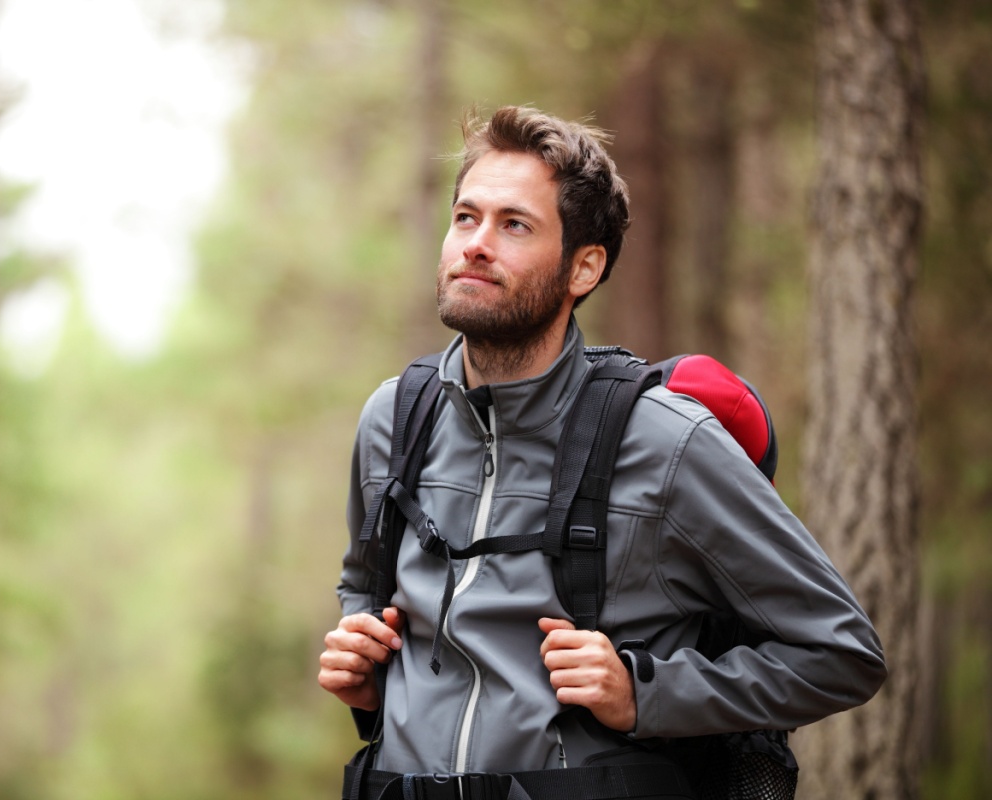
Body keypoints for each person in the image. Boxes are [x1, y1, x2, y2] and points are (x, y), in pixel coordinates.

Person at [318, 105, 886, 799]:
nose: (475, 244)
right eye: (466, 217)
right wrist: (362, 662)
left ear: (584, 267)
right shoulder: (394, 421)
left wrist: (646, 693)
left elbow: (842, 654)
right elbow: (362, 582)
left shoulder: (667, 442)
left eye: (514, 224)